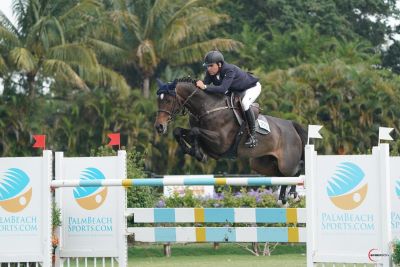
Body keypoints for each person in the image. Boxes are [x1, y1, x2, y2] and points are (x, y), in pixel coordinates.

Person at [196, 50, 261, 148]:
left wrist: (204, 87)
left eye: (211, 66)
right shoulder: (210, 72)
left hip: (251, 87)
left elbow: (222, 89)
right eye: (207, 66)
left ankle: (253, 135)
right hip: (237, 90)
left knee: (245, 103)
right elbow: (205, 85)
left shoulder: (229, 70)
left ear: (219, 64)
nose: (208, 69)